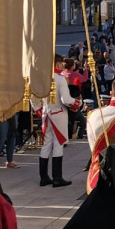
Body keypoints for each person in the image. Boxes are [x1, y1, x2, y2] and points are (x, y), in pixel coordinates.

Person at [33, 54, 76, 187]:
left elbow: (33, 96)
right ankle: (57, 177)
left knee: (46, 144)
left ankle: (44, 177)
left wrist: (38, 109)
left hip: (46, 113)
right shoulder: (60, 79)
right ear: (58, 64)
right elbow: (66, 100)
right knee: (58, 143)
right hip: (59, 113)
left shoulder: (41, 78)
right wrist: (77, 103)